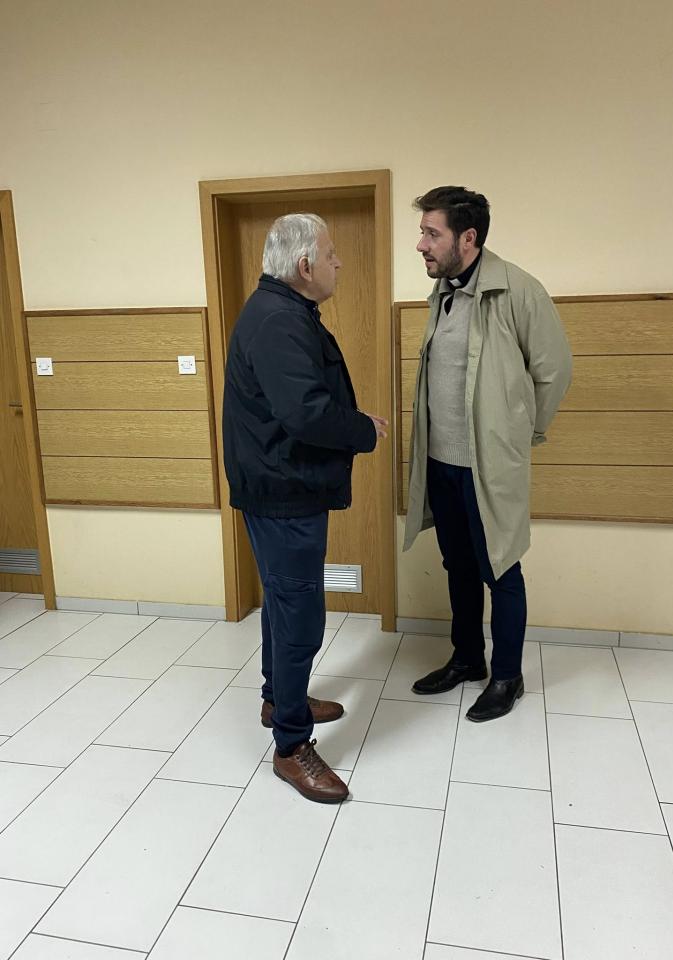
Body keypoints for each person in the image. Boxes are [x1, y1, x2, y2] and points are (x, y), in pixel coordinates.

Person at [222, 213, 387, 802]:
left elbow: (297, 403)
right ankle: (292, 746)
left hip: (278, 485)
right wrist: (363, 429)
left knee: (283, 603)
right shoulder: (279, 320)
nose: (339, 262)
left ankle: (278, 700)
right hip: (283, 491)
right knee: (299, 617)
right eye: (331, 253)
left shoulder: (281, 310)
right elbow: (306, 412)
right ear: (304, 265)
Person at [404, 186, 572, 721]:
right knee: (457, 566)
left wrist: (523, 434)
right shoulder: (443, 293)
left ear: (468, 238)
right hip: (442, 463)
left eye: (431, 233)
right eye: (423, 232)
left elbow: (554, 371)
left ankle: (507, 677)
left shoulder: (518, 290)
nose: (421, 244)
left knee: (501, 568)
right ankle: (467, 659)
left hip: (489, 465)